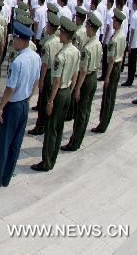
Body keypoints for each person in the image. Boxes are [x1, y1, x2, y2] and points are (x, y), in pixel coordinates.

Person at [0, 23, 40, 190]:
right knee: (16, 143)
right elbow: (36, 81)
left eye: (14, 38)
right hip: (24, 104)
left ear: (21, 40)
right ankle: (6, 177)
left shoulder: (17, 61)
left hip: (13, 105)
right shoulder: (35, 57)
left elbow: (10, 88)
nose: (13, 41)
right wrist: (29, 97)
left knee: (3, 144)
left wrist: (1, 107)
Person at [31, 16, 80, 172]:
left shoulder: (61, 56)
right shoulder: (76, 51)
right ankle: (53, 158)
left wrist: (50, 101)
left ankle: (46, 161)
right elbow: (76, 74)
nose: (60, 34)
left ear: (66, 34)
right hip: (67, 92)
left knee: (51, 128)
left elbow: (57, 81)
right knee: (58, 127)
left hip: (58, 93)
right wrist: (71, 91)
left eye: (62, 32)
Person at [63, 13, 103, 151]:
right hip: (93, 78)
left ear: (91, 27)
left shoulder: (87, 47)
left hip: (86, 79)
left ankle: (75, 142)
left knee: (80, 112)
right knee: (86, 110)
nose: (86, 27)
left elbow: (84, 70)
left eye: (87, 25)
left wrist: (78, 88)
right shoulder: (98, 43)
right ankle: (79, 138)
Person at [92, 10, 127, 133]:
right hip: (118, 66)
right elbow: (123, 52)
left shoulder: (114, 39)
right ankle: (106, 121)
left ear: (117, 22)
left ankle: (103, 124)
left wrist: (106, 77)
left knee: (107, 97)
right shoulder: (122, 35)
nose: (112, 22)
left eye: (114, 20)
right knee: (112, 96)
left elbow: (111, 60)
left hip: (112, 68)